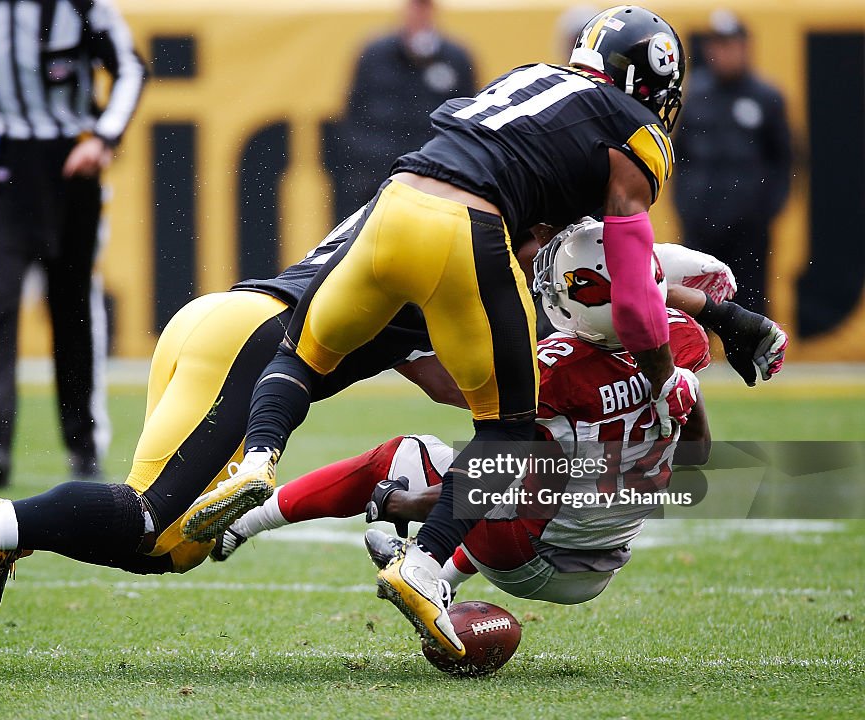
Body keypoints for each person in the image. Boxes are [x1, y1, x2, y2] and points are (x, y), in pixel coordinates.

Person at [0, 218, 785, 640]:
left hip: (226, 322)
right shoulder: (481, 254)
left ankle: (5, 540)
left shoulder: (443, 207)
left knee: (176, 542)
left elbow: (611, 289)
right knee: (154, 534)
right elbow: (468, 375)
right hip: (250, 344)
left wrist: (705, 319)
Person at [188, 6, 697, 659]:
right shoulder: (637, 132)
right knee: (509, 428)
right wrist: (666, 380)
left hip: (393, 201)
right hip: (465, 227)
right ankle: (426, 563)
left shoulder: (530, 78)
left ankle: (256, 461)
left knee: (302, 356)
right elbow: (632, 301)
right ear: (652, 84)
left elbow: (527, 213)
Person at [215, 222, 715, 608]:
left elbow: (473, 437)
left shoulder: (554, 371)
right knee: (555, 468)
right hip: (601, 569)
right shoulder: (683, 339)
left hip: (526, 557)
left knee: (410, 456)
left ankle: (246, 520)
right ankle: (445, 578)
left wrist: (402, 501)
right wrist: (679, 394)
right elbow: (697, 452)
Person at [0, 0, 146, 486]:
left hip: (70, 159)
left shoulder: (79, 4)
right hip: (1, 159)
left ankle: (84, 446)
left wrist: (103, 136)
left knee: (71, 304)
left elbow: (131, 68)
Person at [672, 9, 792, 316]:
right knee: (696, 298)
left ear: (745, 46)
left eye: (730, 44)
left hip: (747, 223)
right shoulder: (695, 93)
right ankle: (695, 360)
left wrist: (765, 209)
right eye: (717, 44)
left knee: (751, 296)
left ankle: (758, 356)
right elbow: (679, 154)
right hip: (701, 218)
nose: (722, 52)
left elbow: (784, 159)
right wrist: (686, 204)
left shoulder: (765, 96)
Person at [329, 0, 475, 220]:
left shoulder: (455, 57)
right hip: (379, 179)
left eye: (423, 6)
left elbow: (466, 116)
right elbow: (354, 115)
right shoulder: (374, 55)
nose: (418, 12)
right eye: (414, 6)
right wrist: (372, 165)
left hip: (436, 179)